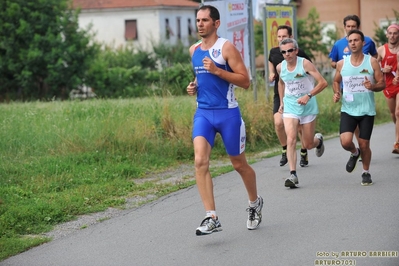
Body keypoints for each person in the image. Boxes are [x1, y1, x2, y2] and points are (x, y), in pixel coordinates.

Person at [186, 5, 263, 236]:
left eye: (205, 20)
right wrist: (194, 86)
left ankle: (254, 202)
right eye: (198, 20)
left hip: (228, 114)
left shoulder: (226, 48)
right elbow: (201, 76)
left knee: (239, 165)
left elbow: (245, 81)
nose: (200, 24)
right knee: (200, 162)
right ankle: (212, 217)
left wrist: (219, 71)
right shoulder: (194, 50)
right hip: (203, 113)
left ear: (216, 24)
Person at [332, 29, 385, 186]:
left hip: (367, 110)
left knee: (364, 144)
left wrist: (373, 87)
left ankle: (365, 172)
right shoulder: (342, 63)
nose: (353, 43)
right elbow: (336, 81)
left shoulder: (371, 62)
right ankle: (354, 153)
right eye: (350, 41)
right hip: (348, 109)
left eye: (356, 40)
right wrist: (337, 93)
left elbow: (382, 83)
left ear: (363, 43)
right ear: (348, 44)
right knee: (345, 142)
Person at [276, 38, 328, 188]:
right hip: (291, 106)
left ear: (296, 50)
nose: (287, 54)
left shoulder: (304, 63)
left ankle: (318, 141)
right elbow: (281, 83)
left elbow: (323, 82)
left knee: (308, 143)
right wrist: (282, 102)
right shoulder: (280, 67)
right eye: (284, 52)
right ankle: (293, 175)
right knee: (291, 139)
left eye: (290, 50)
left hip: (308, 106)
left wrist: (308, 95)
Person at [329, 15, 378, 154]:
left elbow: (375, 57)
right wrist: (340, 66)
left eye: (353, 26)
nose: (350, 28)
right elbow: (333, 61)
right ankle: (357, 148)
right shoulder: (338, 44)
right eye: (348, 26)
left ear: (358, 27)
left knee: (362, 119)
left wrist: (369, 68)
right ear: (344, 27)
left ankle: (362, 147)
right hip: (347, 87)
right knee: (352, 118)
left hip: (365, 87)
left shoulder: (367, 41)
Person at [268, 25, 312, 167]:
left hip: (298, 94)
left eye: (284, 37)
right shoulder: (274, 52)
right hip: (280, 93)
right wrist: (271, 73)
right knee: (278, 123)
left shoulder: (300, 53)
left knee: (299, 127)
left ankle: (304, 151)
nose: (281, 39)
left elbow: (311, 70)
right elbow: (271, 62)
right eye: (279, 36)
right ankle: (285, 148)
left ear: (291, 37)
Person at [377, 23, 399, 154]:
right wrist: (382, 69)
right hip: (388, 85)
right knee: (393, 114)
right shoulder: (381, 50)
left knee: (398, 112)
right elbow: (373, 66)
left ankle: (397, 142)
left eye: (395, 33)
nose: (392, 36)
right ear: (387, 35)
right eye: (390, 33)